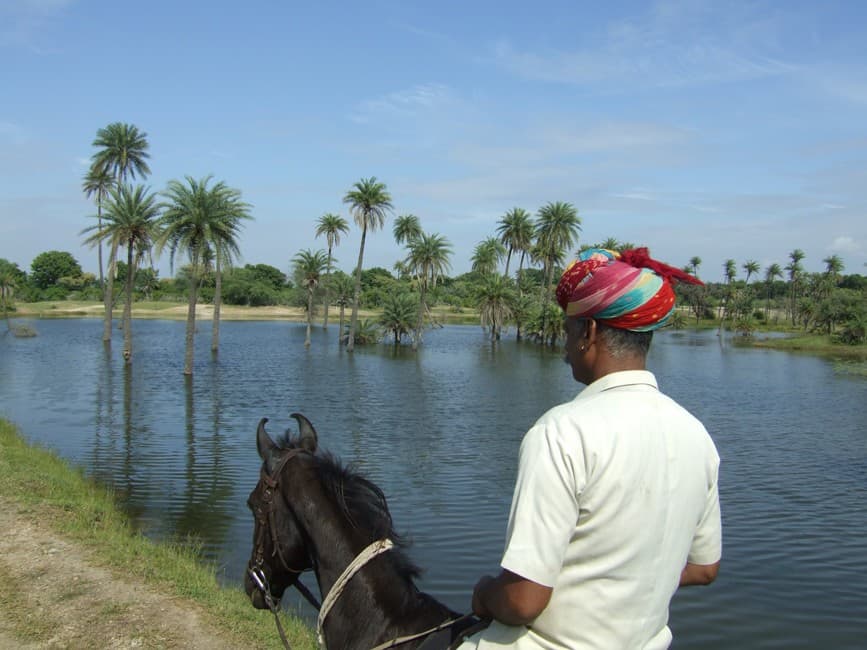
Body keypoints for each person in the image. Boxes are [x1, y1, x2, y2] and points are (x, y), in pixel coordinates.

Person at [459, 248, 722, 650]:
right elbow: (704, 568)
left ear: (590, 332)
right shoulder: (696, 434)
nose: (564, 347)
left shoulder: (562, 432)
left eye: (568, 331)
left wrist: (485, 593)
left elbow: (522, 601)